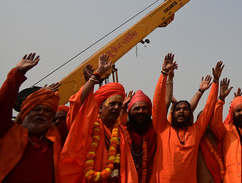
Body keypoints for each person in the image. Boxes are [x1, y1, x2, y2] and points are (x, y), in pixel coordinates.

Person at [60, 53, 138, 182]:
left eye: (120, 104)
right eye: (112, 104)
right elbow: (77, 105)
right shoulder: (89, 126)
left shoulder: (122, 133)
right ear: (100, 107)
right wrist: (96, 75)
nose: (117, 108)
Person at [150, 53, 223, 183]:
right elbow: (157, 104)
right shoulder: (162, 129)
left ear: (190, 114)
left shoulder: (195, 132)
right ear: (172, 113)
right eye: (178, 109)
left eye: (185, 109)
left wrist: (215, 83)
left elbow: (208, 109)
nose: (181, 111)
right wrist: (163, 74)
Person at [0, 53, 63, 183]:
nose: (41, 113)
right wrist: (18, 72)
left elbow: (81, 115)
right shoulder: (8, 131)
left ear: (52, 118)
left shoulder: (58, 137)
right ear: (26, 112)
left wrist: (93, 79)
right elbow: (3, 103)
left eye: (47, 111)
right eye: (36, 109)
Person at [120, 90, 157, 183]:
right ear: (129, 112)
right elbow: (119, 123)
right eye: (136, 109)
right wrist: (123, 107)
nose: (141, 111)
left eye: (144, 108)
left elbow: (164, 103)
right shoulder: (124, 131)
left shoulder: (155, 130)